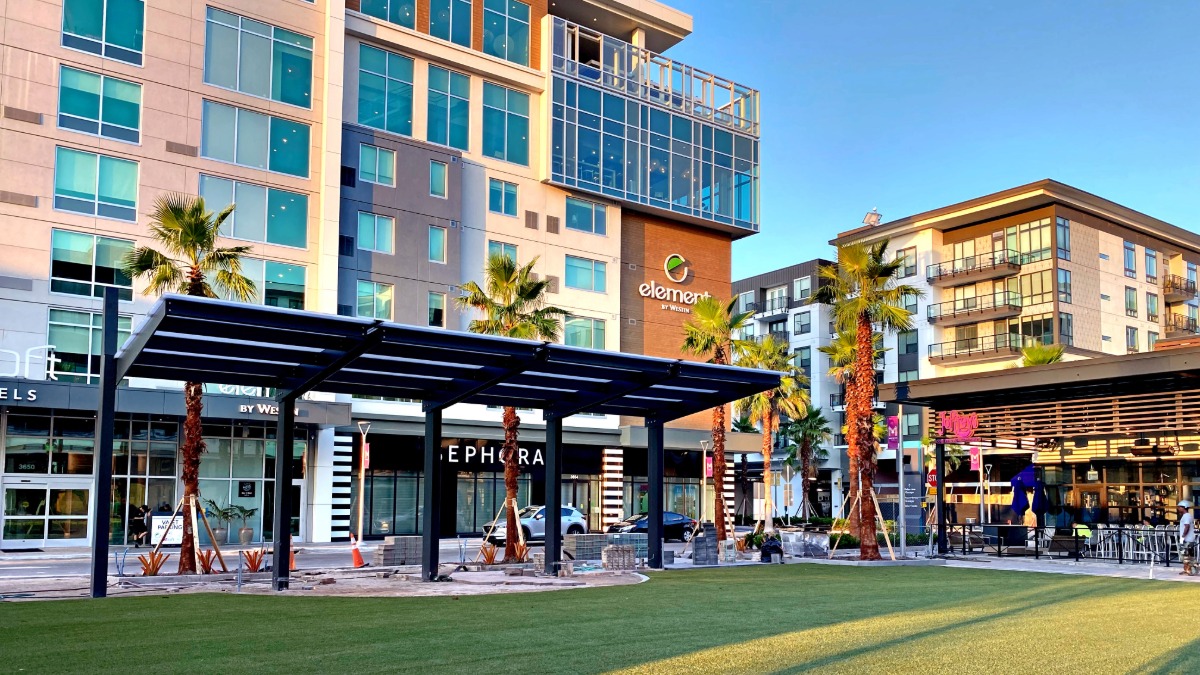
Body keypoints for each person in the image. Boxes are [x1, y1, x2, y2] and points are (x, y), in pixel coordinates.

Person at [1178, 500, 1196, 576]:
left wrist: (1183, 537)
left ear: (1184, 507)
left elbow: (1187, 527)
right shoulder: (1187, 516)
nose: (1178, 508)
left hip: (1187, 539)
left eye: (1180, 507)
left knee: (1186, 555)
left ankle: (1190, 570)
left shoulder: (1187, 516)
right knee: (1186, 555)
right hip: (1188, 539)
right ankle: (1186, 569)